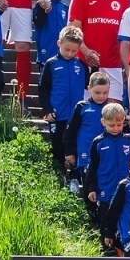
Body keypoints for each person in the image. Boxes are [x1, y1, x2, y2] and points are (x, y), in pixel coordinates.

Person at [68, 0, 129, 99]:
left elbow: (127, 34)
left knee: (114, 107)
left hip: (113, 62)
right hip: (85, 62)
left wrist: (126, 65)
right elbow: (73, 29)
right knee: (87, 107)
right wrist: (86, 51)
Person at [38, 26, 93, 182]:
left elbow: (89, 86)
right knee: (58, 145)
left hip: (76, 116)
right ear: (59, 43)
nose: (70, 53)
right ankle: (59, 175)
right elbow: (43, 88)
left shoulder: (81, 65)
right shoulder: (51, 64)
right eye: (67, 49)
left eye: (74, 51)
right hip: (58, 114)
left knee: (75, 146)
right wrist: (47, 109)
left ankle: (75, 177)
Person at [82, 102, 130, 231]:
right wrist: (92, 188)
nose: (115, 128)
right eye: (111, 125)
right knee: (106, 223)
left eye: (119, 125)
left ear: (124, 121)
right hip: (106, 189)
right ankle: (106, 242)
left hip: (127, 191)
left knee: (126, 222)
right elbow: (92, 167)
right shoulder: (98, 142)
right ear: (103, 122)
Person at [33, 0, 69, 66]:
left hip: (61, 52)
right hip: (46, 51)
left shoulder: (65, 7)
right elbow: (37, 22)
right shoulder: (41, 5)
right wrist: (44, 11)